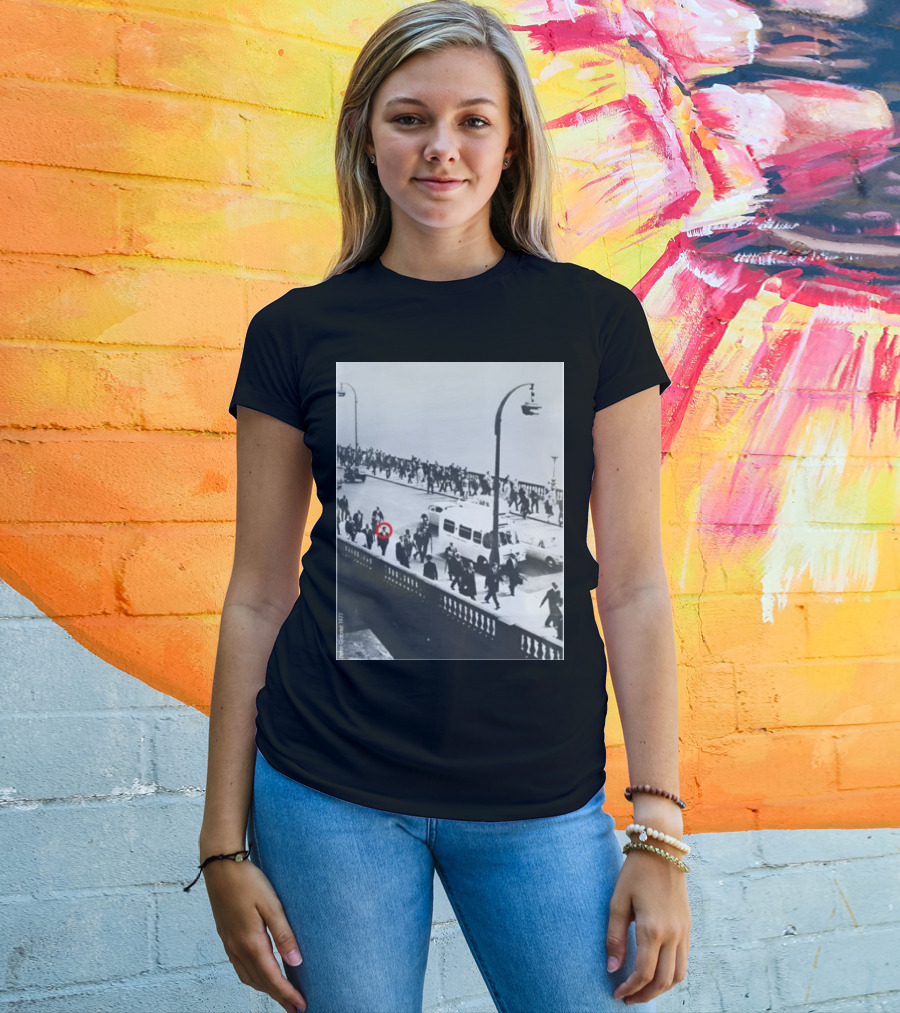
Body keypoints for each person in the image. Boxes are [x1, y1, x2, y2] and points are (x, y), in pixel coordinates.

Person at [193, 3, 691, 1012]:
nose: (441, 149)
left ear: (511, 146)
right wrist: (221, 843)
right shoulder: (295, 332)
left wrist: (659, 826)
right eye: (409, 118)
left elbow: (634, 585)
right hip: (325, 789)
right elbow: (257, 594)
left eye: (474, 120)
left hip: (542, 801)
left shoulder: (595, 319)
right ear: (365, 137)